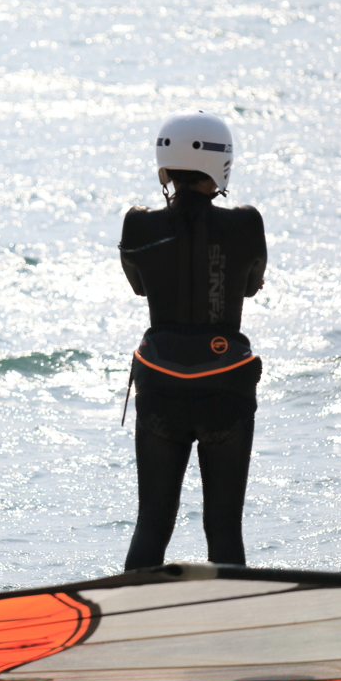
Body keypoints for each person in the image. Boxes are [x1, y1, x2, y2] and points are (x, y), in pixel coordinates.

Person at [120, 109, 266, 569]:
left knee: (152, 523)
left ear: (164, 165)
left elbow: (140, 284)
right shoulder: (246, 223)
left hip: (161, 387)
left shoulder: (138, 224)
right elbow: (249, 283)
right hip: (227, 389)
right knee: (224, 529)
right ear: (222, 164)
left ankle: (129, 629)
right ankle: (235, 631)